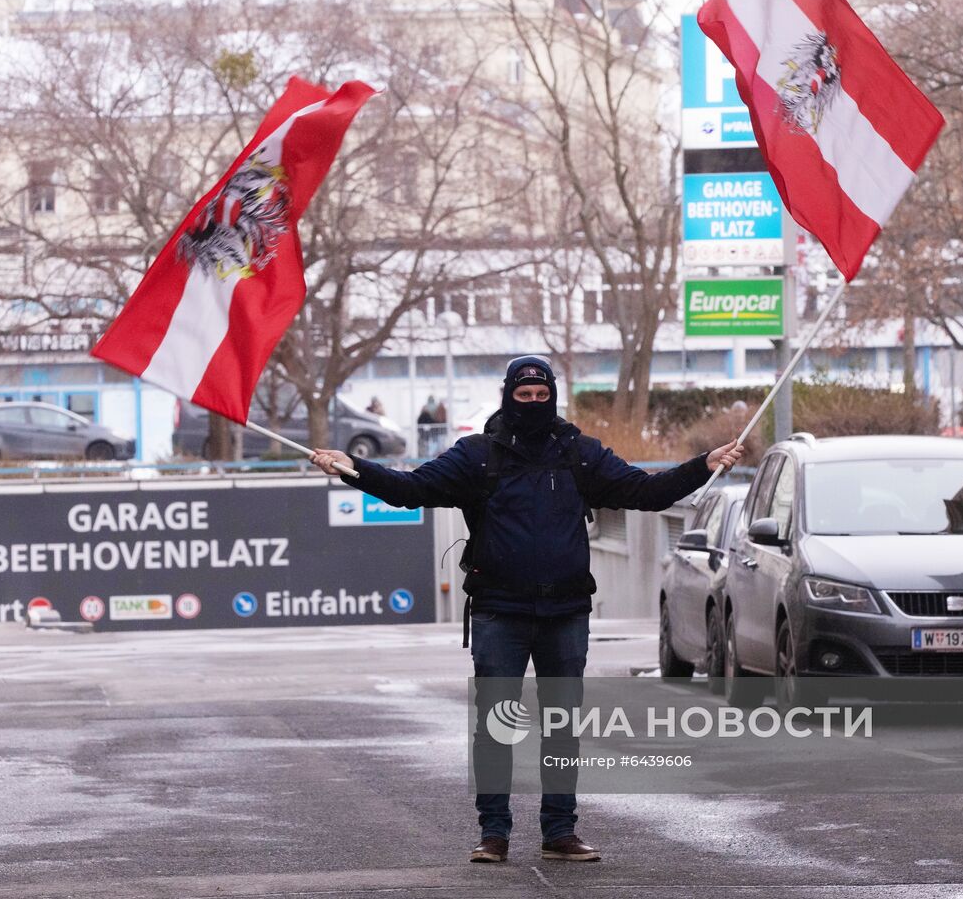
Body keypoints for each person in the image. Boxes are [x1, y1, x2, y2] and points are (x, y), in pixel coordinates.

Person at [311, 355, 743, 865]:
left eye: (542, 396)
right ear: (508, 396)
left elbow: (643, 492)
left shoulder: (580, 454)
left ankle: (559, 832)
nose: (534, 404)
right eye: (524, 396)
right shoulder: (475, 457)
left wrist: (702, 465)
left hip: (565, 610)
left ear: (553, 396)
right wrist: (354, 469)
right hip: (499, 610)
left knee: (562, 723)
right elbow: (412, 490)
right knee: (495, 724)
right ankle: (493, 835)